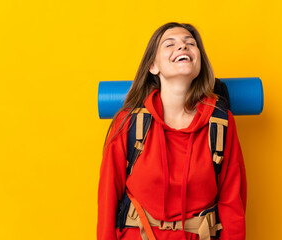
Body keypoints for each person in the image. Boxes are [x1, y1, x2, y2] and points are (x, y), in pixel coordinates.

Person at [97, 22, 247, 240]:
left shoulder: (221, 124)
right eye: (170, 44)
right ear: (153, 66)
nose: (182, 47)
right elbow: (107, 201)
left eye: (190, 44)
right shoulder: (129, 123)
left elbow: (232, 204)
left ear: (199, 64)